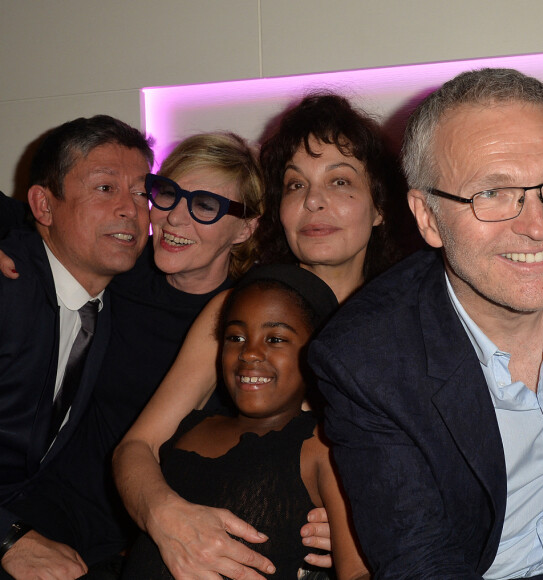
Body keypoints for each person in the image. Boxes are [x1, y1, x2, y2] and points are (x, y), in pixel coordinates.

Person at [308, 67, 543, 579]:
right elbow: (421, 562)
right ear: (428, 217)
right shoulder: (368, 359)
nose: (538, 225)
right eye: (493, 194)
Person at [113, 92, 395, 579]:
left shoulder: (407, 326)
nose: (314, 201)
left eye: (340, 181)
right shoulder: (237, 308)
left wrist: (371, 525)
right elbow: (136, 448)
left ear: (379, 208)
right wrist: (165, 516)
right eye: (294, 184)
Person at [0, 132, 265, 579]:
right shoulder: (118, 269)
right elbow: (34, 215)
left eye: (204, 205)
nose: (175, 219)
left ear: (246, 228)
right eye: (166, 194)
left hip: (166, 539)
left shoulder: (249, 320)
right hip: (55, 513)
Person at [121, 264, 369, 580]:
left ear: (315, 356)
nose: (249, 352)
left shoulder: (320, 446)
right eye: (235, 336)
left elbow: (359, 570)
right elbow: (132, 452)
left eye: (276, 339)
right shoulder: (192, 427)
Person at [0, 115, 153, 579]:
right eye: (105, 188)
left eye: (142, 192)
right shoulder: (9, 286)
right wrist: (6, 539)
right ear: (44, 207)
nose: (131, 209)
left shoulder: (109, 301)